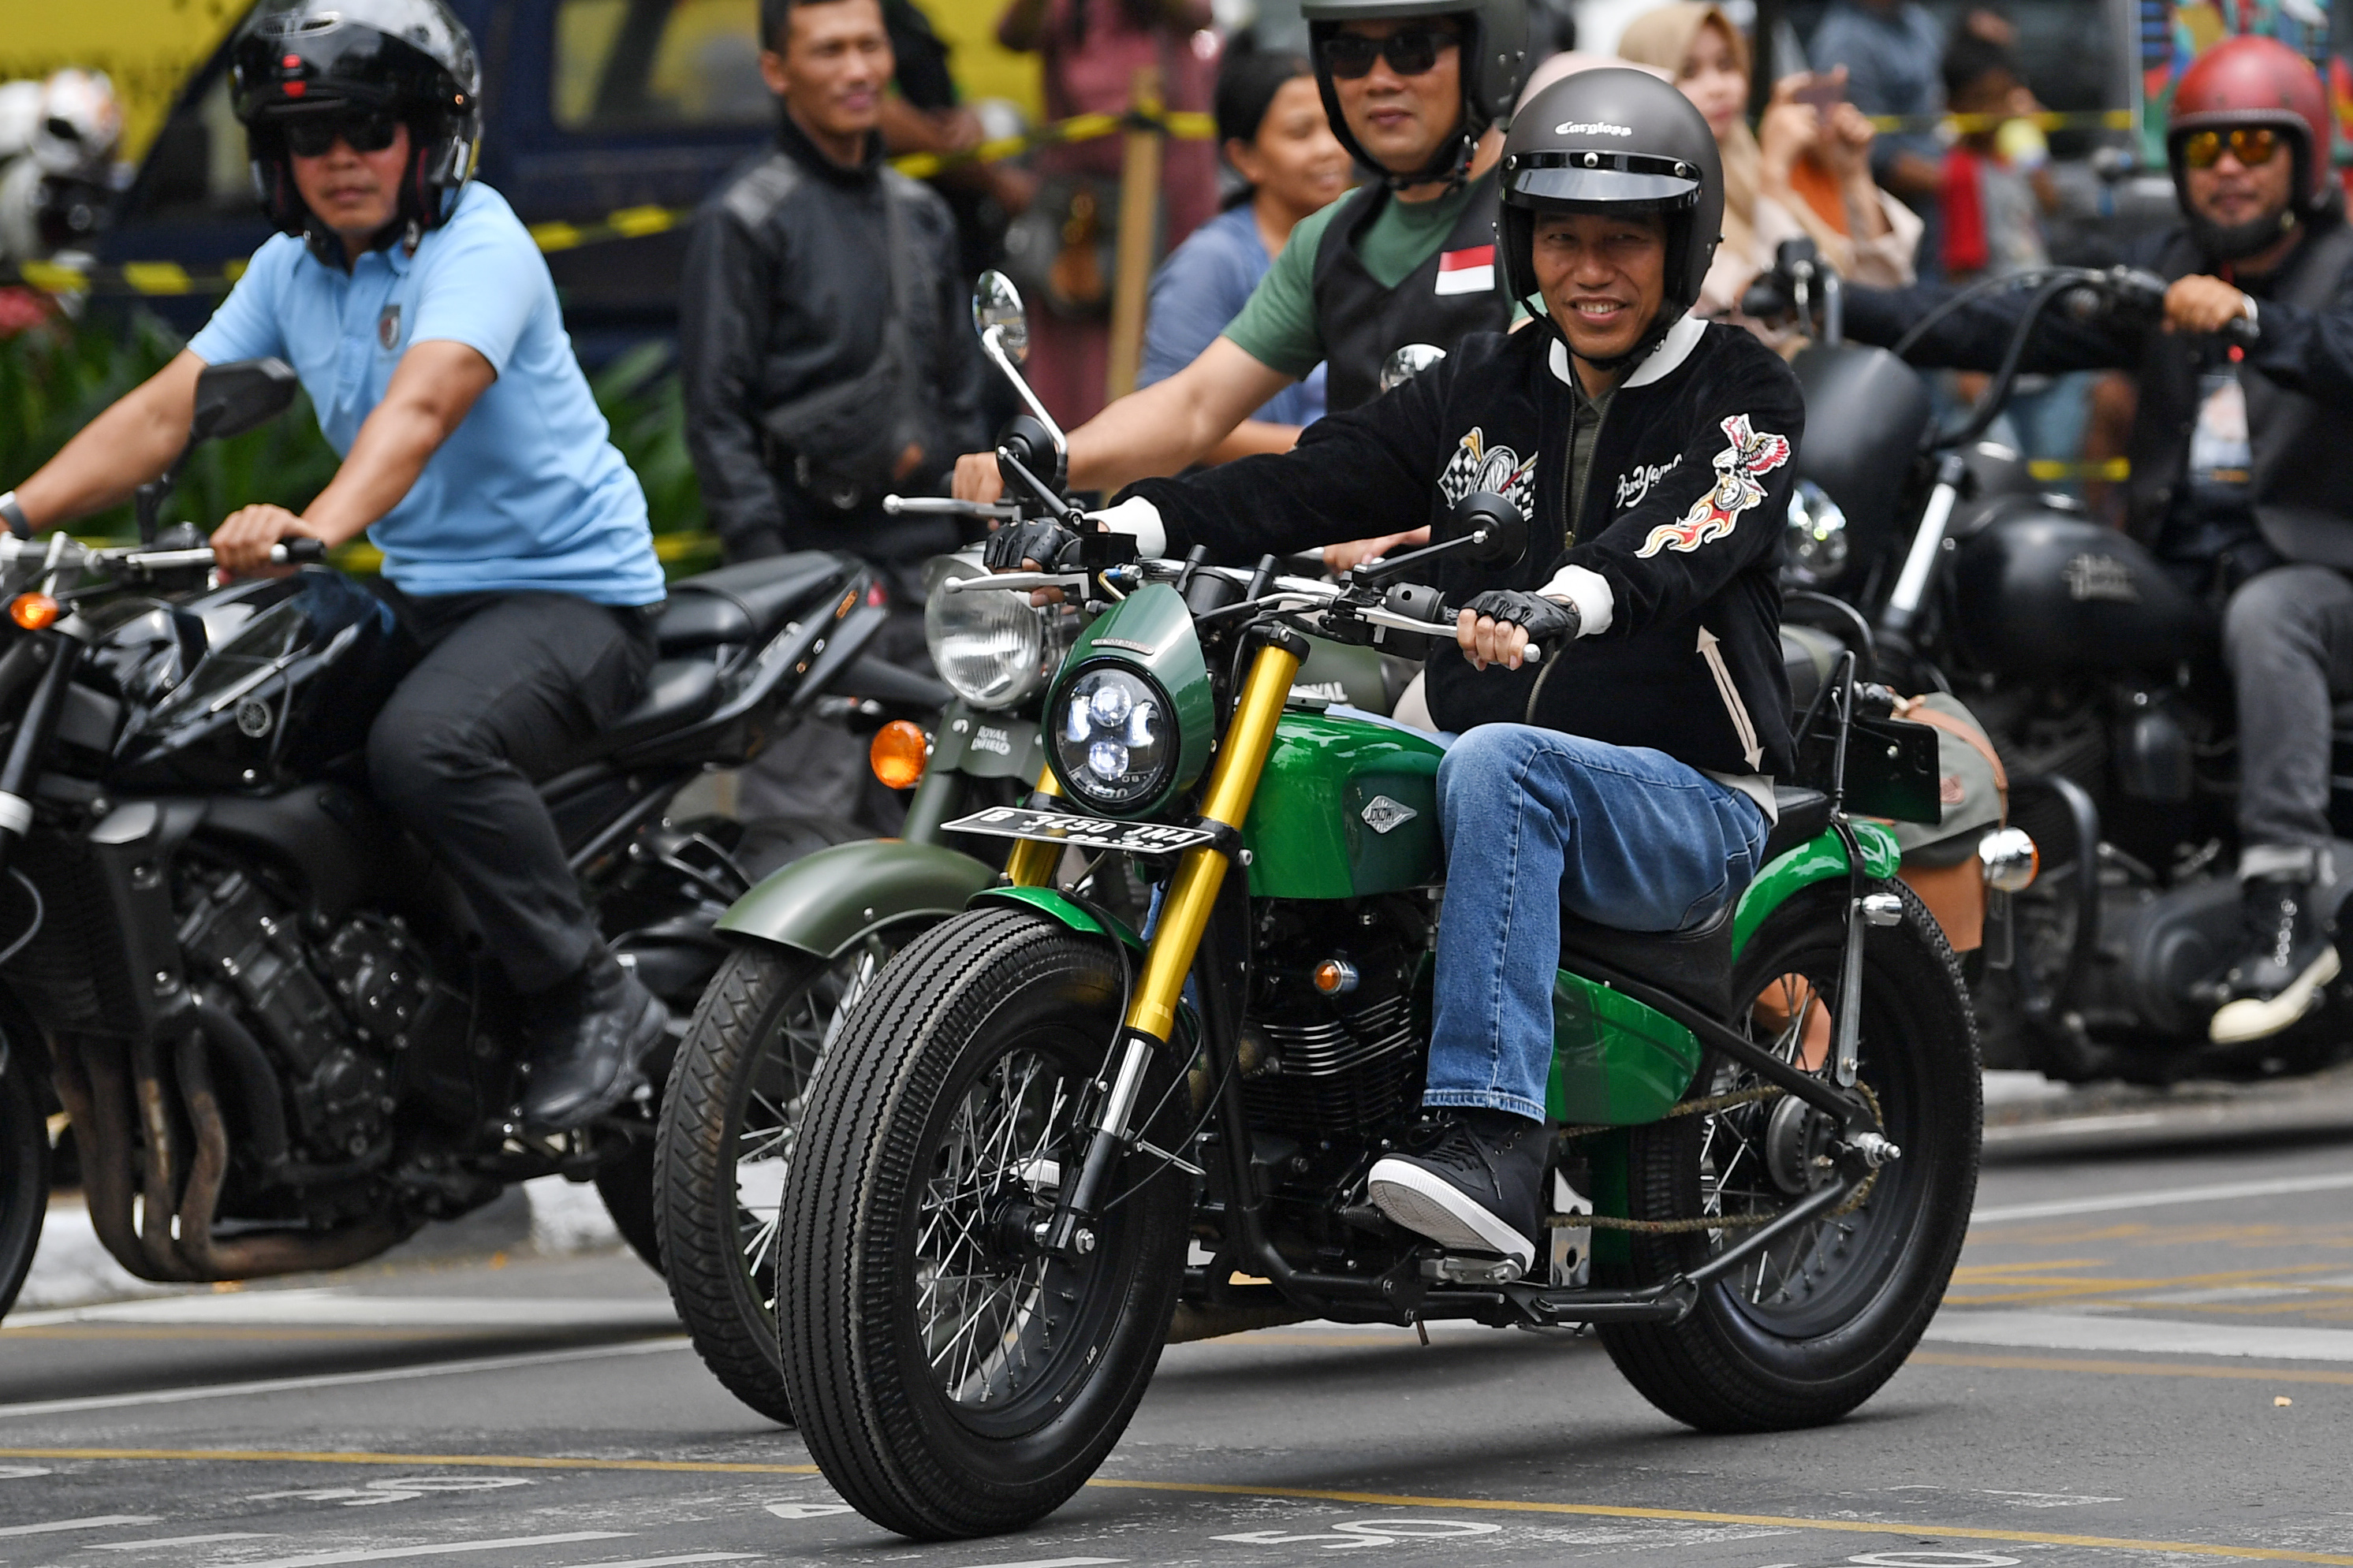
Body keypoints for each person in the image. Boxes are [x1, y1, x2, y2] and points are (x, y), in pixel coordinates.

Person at [992, 69, 1800, 1266]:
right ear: (1523, 241)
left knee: (1500, 766)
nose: (1591, 270)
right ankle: (1217, 1104)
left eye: (1625, 242)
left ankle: (1490, 1142)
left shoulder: (1740, 391)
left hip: (1686, 790)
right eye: (1563, 237)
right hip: (1488, 751)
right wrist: (1122, 525)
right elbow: (1318, 475)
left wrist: (1562, 603)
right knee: (1293, 757)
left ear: (1683, 245)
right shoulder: (1487, 383)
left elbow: (1687, 534)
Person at [0, 0, 669, 1131]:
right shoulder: (289, 273)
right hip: (425, 599)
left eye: (372, 131)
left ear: (430, 136)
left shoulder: (483, 247)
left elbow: (423, 408)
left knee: (428, 746)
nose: (343, 161)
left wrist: (313, 522)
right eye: (313, 138)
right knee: (229, 728)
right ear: (278, 155)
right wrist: (11, 513)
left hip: (572, 599)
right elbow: (166, 412)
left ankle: (589, 996)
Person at [1841, 35, 2353, 1047]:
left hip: (2317, 578)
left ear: (2301, 159)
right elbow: (2009, 317)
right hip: (2185, 577)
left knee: (2269, 615)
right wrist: (1840, 303)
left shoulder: (2337, 267)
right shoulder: (2167, 274)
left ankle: (2286, 911)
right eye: (2208, 150)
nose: (2230, 168)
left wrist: (2252, 321)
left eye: (2256, 145)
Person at [953, 0, 1534, 512]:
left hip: (1513, 602)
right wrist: (1052, 458)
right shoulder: (1331, 236)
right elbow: (1195, 405)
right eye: (1351, 53)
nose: (1379, 80)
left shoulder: (1539, 216)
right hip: (1351, 595)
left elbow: (1538, 416)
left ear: (1486, 54)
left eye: (1412, 49)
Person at [678, 0, 985, 824]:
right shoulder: (743, 218)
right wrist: (771, 577)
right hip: (808, 559)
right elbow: (714, 416)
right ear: (777, 71)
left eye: (868, 46)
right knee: (798, 821)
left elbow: (959, 390)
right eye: (828, 51)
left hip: (926, 566)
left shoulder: (919, 213)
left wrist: (977, 547)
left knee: (944, 809)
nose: (855, 70)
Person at [1617, 3, 1918, 344]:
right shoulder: (1651, 209)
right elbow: (1768, 325)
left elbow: (1884, 301)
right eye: (1689, 71)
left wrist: (1853, 174)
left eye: (1726, 64)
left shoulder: (1749, 171)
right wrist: (1774, 170)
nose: (1718, 87)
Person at [995, 0, 1221, 426]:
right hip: (1078, 200)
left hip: (1169, 192)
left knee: (1170, 329)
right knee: (1071, 344)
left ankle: (1149, 472)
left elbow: (1197, 14)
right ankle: (1066, 470)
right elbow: (1011, 36)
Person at [1138, 50, 1350, 460]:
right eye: (1301, 133)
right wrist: (1334, 456)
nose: (1329, 149)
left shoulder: (1365, 233)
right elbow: (1165, 416)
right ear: (1244, 158)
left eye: (1335, 126)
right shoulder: (1211, 260)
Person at [1807, 0, 1946, 266]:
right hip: (1883, 207)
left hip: (1936, 200)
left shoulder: (1920, 22)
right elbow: (1864, 154)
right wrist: (1955, 180)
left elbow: (1942, 103)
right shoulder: (1839, 41)